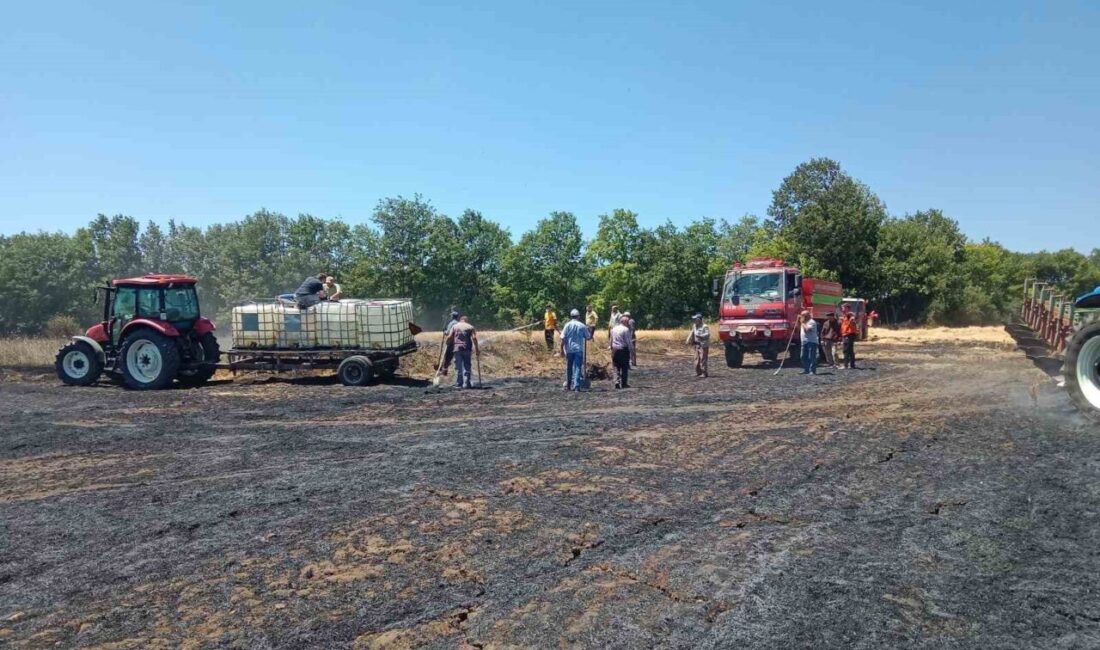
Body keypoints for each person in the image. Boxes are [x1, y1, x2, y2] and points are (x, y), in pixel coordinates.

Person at [560, 309, 592, 391]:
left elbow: (563, 338)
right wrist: (589, 330)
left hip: (569, 349)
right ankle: (577, 386)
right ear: (578, 316)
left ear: (571, 316)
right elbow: (588, 337)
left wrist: (561, 350)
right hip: (578, 349)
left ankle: (568, 385)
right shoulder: (582, 325)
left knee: (569, 367)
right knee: (577, 367)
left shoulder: (567, 325)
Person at [446, 315, 478, 388]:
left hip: (457, 349)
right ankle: (467, 383)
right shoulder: (470, 327)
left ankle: (459, 383)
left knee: (458, 366)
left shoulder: (455, 326)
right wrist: (477, 349)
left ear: (460, 320)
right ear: (466, 320)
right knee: (467, 365)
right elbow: (474, 338)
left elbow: (449, 337)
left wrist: (447, 343)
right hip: (467, 348)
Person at [609, 314, 634, 388]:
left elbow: (611, 340)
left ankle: (617, 381)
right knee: (624, 367)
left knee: (616, 366)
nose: (628, 323)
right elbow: (628, 342)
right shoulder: (626, 330)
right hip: (623, 350)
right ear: (625, 322)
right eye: (628, 322)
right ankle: (624, 383)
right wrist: (631, 350)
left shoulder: (614, 329)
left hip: (615, 350)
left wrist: (611, 348)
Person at [440, 310, 460, 376]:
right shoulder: (459, 323)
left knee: (447, 357)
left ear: (452, 316)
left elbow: (448, 333)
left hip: (451, 342)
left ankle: (444, 372)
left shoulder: (451, 323)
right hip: (458, 343)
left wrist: (444, 331)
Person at [799, 310, 819, 375]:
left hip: (811, 341)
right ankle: (806, 369)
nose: (802, 316)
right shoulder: (804, 322)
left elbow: (807, 330)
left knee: (811, 357)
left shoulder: (811, 322)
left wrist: (802, 323)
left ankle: (812, 370)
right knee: (803, 356)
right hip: (804, 341)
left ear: (807, 315)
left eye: (803, 315)